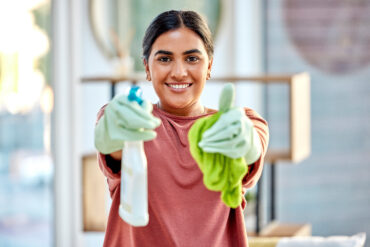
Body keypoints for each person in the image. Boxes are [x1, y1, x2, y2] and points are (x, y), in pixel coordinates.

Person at [94, 10, 269, 247]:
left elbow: (253, 147)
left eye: (192, 58)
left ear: (209, 66)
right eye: (165, 59)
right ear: (147, 67)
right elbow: (112, 143)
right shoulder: (131, 123)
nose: (178, 72)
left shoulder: (238, 124)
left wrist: (247, 143)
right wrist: (109, 130)